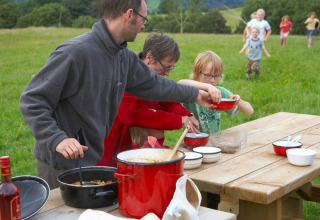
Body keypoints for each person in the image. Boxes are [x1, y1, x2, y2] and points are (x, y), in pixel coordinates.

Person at [19, 0, 221, 189]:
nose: (143, 26)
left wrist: (193, 94)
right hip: (60, 163)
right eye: (143, 19)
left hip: (91, 159)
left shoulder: (124, 57)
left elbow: (154, 84)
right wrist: (57, 139)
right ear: (129, 15)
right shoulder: (75, 53)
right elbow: (32, 100)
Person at [96, 33, 213, 167]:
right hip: (111, 153)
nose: (168, 73)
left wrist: (185, 114)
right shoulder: (124, 75)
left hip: (141, 152)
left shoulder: (152, 78)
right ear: (149, 58)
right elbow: (133, 115)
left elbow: (166, 101)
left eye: (171, 67)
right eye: (166, 67)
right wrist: (178, 121)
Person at [178, 51, 254, 210]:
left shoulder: (220, 92)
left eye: (216, 76)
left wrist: (238, 101)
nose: (212, 81)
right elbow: (180, 82)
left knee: (214, 187)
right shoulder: (191, 90)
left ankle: (213, 209)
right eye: (208, 76)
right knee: (195, 185)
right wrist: (204, 87)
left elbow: (250, 111)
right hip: (192, 146)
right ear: (197, 73)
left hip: (213, 148)